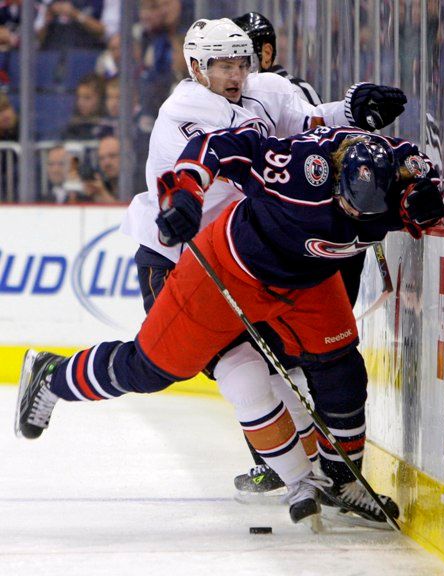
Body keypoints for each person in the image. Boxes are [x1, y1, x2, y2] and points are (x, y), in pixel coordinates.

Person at [15, 124, 443, 528]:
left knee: (340, 364)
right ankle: (53, 376)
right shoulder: (298, 169)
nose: (354, 215)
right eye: (347, 204)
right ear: (335, 180)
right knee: (154, 368)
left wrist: (427, 202)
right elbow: (217, 145)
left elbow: (434, 183)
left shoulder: (407, 168)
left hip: (310, 278)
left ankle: (341, 480)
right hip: (229, 269)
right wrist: (185, 192)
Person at [120, 17, 406, 506]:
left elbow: (310, 124)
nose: (235, 74)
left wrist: (352, 109)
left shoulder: (267, 90)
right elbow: (256, 167)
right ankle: (296, 475)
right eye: (222, 65)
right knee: (240, 372)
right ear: (196, 67)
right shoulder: (181, 112)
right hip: (178, 258)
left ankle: (313, 478)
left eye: (241, 63)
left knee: (291, 368)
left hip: (247, 256)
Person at [231, 11, 368, 498]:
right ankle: (302, 461)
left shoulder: (288, 93)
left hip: (311, 246)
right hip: (272, 244)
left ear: (265, 53)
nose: (231, 65)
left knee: (309, 354)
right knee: (267, 355)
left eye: (242, 51)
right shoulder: (223, 101)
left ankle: (329, 466)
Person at [63, 73, 105, 140]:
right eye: (78, 97)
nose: (80, 103)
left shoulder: (109, 128)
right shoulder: (73, 128)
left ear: (101, 99)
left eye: (87, 97)